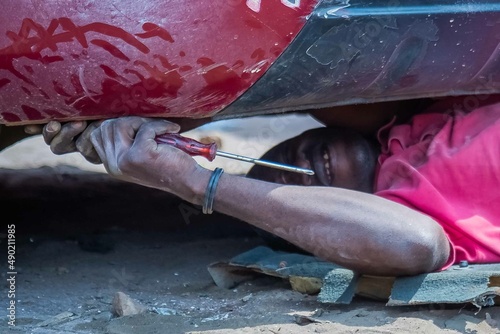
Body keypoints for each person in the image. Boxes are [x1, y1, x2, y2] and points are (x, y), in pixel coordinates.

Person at [33, 96, 500, 277]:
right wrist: (196, 182)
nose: (298, 165)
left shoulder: (403, 119)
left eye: (275, 161)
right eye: (294, 191)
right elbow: (413, 244)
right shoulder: (423, 217)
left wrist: (135, 122)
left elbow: (322, 84)